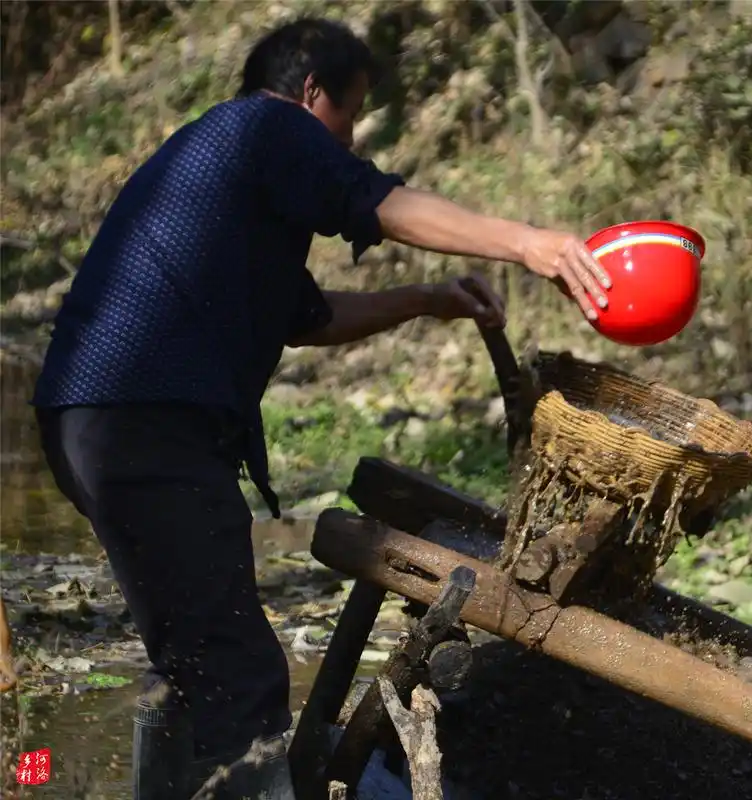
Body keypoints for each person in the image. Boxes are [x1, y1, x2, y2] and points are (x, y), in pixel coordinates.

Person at [30, 16, 610, 800]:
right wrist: (528, 242)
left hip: (99, 419)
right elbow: (375, 199)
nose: (351, 137)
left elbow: (307, 317)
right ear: (311, 92)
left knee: (195, 661)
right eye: (352, 113)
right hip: (143, 420)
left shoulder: (229, 169)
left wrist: (427, 299)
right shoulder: (268, 126)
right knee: (237, 673)